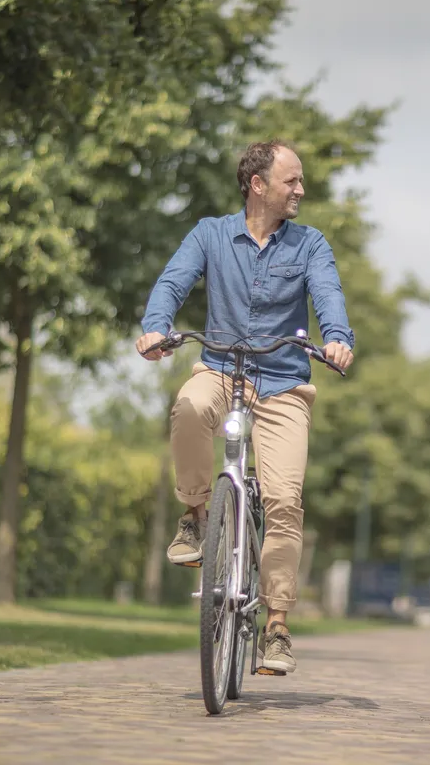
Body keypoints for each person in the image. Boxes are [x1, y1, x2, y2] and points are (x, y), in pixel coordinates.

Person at [135, 140, 354, 675]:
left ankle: (276, 625)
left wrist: (337, 339)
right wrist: (156, 327)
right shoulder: (210, 234)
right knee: (188, 407)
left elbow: (328, 296)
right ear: (259, 185)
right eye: (292, 181)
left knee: (283, 498)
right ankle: (195, 514)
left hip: (283, 384)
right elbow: (172, 281)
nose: (301, 189)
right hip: (220, 368)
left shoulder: (309, 244)